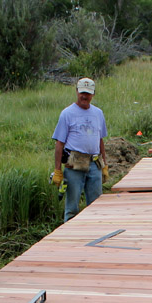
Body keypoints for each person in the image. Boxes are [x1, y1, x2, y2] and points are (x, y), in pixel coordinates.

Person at [51, 77, 109, 223]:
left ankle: (94, 236)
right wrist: (57, 170)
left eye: (88, 93)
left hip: (94, 163)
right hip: (74, 163)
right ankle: (70, 239)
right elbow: (59, 144)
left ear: (93, 94)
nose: (85, 96)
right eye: (82, 92)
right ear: (76, 91)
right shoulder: (67, 113)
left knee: (96, 206)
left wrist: (104, 165)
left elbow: (100, 140)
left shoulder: (98, 113)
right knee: (72, 208)